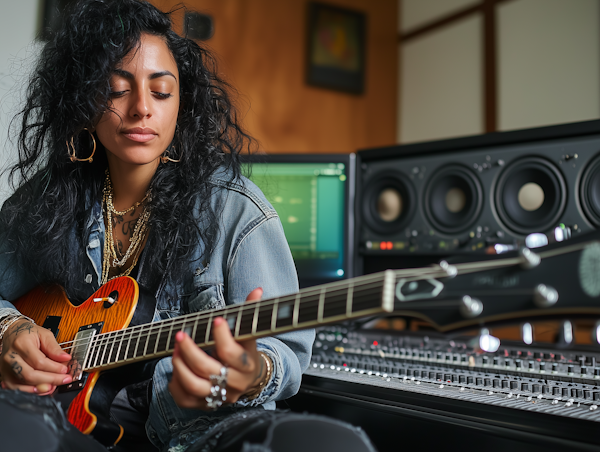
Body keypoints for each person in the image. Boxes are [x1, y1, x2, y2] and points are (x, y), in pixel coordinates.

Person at [0, 1, 377, 451]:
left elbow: (283, 353)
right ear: (85, 103)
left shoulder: (237, 211)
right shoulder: (48, 197)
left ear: (183, 106)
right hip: (65, 423)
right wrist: (8, 331)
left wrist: (249, 374)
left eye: (161, 92)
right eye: (117, 90)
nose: (142, 108)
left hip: (195, 435)